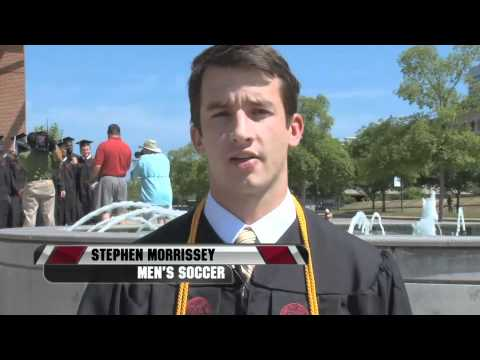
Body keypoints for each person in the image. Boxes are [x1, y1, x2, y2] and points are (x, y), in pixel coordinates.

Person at [78, 45, 412, 315]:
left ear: (293, 129)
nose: (240, 132)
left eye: (259, 112)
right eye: (221, 114)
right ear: (198, 137)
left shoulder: (363, 275)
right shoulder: (129, 280)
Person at [18, 131, 62, 227]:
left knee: (30, 215)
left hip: (32, 185)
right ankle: (52, 238)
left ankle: (28, 239)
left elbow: (20, 158)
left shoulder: (24, 156)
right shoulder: (49, 155)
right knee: (49, 216)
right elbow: (59, 161)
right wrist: (53, 145)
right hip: (48, 184)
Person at [90, 124, 132, 221]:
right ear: (120, 134)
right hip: (122, 181)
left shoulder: (103, 146)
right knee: (121, 212)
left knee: (105, 211)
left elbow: (97, 166)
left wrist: (91, 179)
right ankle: (120, 235)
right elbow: (127, 166)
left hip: (107, 180)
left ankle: (106, 235)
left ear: (108, 133)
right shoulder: (127, 147)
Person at [131, 139, 173, 209]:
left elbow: (133, 175)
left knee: (150, 220)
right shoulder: (165, 158)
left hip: (151, 197)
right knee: (167, 219)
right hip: (167, 197)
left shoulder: (143, 159)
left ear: (147, 150)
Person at [76, 140, 96, 218]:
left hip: (91, 189)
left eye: (87, 149)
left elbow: (98, 174)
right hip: (81, 190)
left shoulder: (94, 161)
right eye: (83, 150)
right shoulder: (78, 161)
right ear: (80, 151)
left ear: (90, 150)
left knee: (92, 208)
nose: (85, 151)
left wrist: (95, 183)